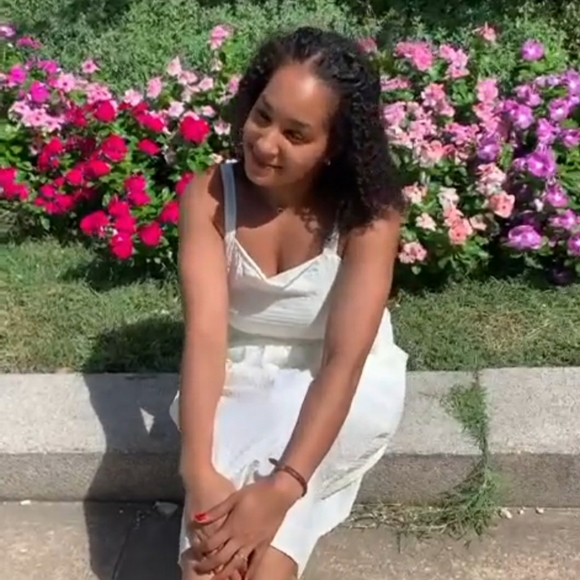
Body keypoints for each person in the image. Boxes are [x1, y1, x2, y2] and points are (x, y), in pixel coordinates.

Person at [169, 25, 408, 580]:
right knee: (209, 568)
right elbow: (205, 336)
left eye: (296, 134)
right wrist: (196, 471)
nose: (266, 143)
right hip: (238, 379)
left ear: (334, 147)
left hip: (339, 385)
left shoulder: (368, 217)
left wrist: (283, 487)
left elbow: (343, 362)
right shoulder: (209, 196)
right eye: (263, 116)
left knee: (263, 566)